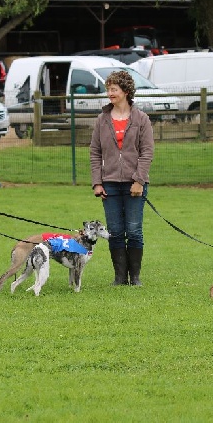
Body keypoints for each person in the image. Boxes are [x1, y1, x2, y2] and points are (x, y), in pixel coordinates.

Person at [89, 70, 154, 286]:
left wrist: (139, 180)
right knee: (115, 232)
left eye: (113, 89)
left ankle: (134, 277)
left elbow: (147, 152)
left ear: (126, 91)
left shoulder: (141, 119)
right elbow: (95, 153)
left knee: (134, 230)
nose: (110, 93)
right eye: (108, 89)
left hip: (135, 184)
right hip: (109, 185)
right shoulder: (101, 120)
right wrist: (97, 182)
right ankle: (119, 278)